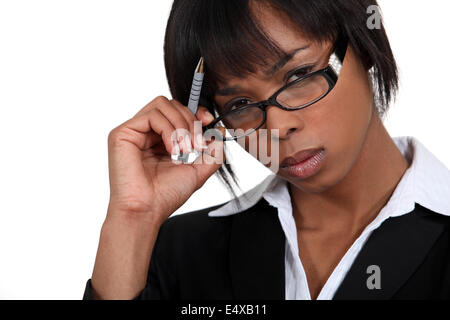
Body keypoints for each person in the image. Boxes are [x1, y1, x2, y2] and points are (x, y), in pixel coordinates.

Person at [83, 0, 450, 300]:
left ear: (364, 43)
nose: (275, 128)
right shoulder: (180, 254)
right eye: (240, 103)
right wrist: (132, 218)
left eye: (298, 76)